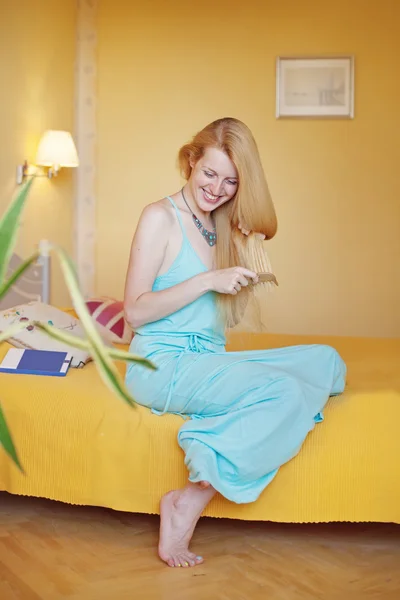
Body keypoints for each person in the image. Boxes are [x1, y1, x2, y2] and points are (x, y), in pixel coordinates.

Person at [123, 117, 346, 569]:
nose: (217, 188)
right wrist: (208, 279)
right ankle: (189, 495)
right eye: (210, 173)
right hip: (161, 362)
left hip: (206, 359)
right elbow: (134, 311)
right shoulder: (159, 217)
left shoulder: (221, 227)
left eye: (230, 180)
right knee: (283, 391)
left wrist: (239, 260)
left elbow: (222, 316)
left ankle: (262, 413)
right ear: (190, 161)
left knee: (328, 362)